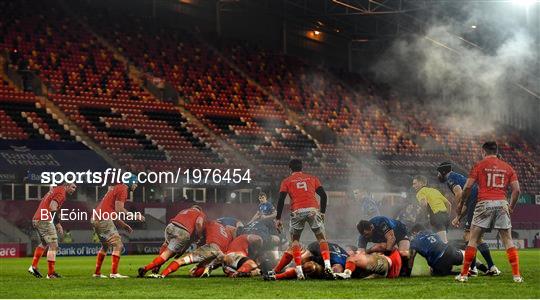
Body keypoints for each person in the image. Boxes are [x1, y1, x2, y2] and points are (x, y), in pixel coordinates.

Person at [454, 141, 523, 283]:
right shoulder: (508, 167)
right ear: (496, 151)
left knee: (473, 238)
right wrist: (511, 207)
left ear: (483, 152)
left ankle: (464, 275)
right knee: (508, 240)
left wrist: (461, 204)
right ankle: (516, 276)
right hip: (502, 203)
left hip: (484, 203)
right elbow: (516, 190)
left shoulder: (478, 166)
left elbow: (467, 187)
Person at [437, 162, 500, 275]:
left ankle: (473, 268)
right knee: (478, 237)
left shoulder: (450, 178)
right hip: (482, 201)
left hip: (477, 202)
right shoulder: (459, 177)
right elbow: (468, 201)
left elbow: (459, 194)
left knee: (467, 236)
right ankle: (492, 267)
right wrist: (459, 217)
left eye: (438, 173)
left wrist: (458, 209)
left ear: (443, 172)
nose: (437, 175)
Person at [273, 159, 331, 280]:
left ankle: (299, 271)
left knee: (295, 241)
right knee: (321, 238)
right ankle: (328, 266)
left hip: (297, 211)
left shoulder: (286, 181)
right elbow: (324, 195)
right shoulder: (312, 178)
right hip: (312, 210)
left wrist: (278, 218)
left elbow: (281, 200)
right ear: (302, 167)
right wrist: (323, 212)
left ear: (290, 169)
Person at [92, 177, 145, 279]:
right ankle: (114, 273)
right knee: (118, 245)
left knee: (105, 246)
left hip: (95, 218)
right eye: (136, 183)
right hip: (103, 218)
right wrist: (136, 216)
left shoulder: (116, 188)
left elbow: (112, 212)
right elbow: (119, 209)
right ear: (130, 182)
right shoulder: (123, 189)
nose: (136, 185)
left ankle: (97, 273)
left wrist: (123, 225)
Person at [138, 205, 205, 278]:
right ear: (200, 210)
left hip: (171, 226)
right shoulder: (200, 213)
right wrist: (200, 236)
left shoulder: (184, 210)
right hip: (182, 231)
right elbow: (198, 223)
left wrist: (182, 251)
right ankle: (146, 268)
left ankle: (157, 266)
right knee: (167, 254)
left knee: (166, 245)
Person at [28, 183, 77, 279]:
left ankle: (33, 267)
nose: (74, 189)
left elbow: (47, 202)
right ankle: (50, 273)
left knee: (44, 243)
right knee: (53, 246)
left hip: (37, 218)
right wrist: (58, 224)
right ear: (66, 186)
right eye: (73, 187)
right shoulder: (61, 192)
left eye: (75, 188)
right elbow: (52, 206)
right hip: (44, 220)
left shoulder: (55, 190)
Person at [158, 220, 233, 278]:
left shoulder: (210, 223)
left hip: (211, 247)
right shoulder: (229, 235)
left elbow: (198, 231)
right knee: (201, 267)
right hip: (220, 254)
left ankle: (162, 274)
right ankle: (208, 267)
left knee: (181, 261)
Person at [409, 224, 487, 276]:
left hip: (438, 262)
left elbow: (411, 257)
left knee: (434, 272)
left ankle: (458, 273)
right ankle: (486, 269)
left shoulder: (414, 240)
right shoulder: (431, 232)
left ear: (415, 232)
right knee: (467, 255)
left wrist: (407, 273)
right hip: (449, 252)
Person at [264, 242, 348, 280]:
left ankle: (276, 276)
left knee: (310, 267)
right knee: (295, 247)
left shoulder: (347, 260)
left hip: (321, 263)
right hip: (318, 250)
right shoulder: (346, 259)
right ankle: (275, 271)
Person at [412, 175, 452, 243]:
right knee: (438, 240)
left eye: (415, 183)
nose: (413, 186)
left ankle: (452, 253)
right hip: (445, 217)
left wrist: (422, 212)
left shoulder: (420, 192)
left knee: (443, 241)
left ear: (421, 183)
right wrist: (447, 216)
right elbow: (449, 204)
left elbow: (424, 204)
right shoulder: (434, 190)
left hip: (436, 216)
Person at [333, 247, 402, 279]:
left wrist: (366, 251)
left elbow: (380, 246)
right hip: (379, 272)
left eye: (349, 249)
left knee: (353, 258)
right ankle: (346, 274)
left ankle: (346, 274)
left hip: (383, 264)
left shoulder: (357, 255)